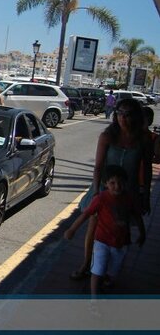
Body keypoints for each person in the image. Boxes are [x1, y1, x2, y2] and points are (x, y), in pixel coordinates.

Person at [70, 98, 152, 280]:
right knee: (94, 226)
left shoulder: (144, 139)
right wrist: (98, 192)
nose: (123, 118)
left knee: (121, 228)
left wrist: (145, 194)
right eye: (120, 114)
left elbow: (146, 169)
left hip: (127, 190)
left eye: (128, 114)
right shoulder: (107, 136)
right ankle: (87, 264)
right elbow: (98, 166)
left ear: (136, 117)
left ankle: (111, 269)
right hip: (104, 189)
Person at [65, 165, 145, 298]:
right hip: (101, 241)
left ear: (125, 183)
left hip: (121, 242)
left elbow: (137, 216)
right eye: (112, 183)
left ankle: (106, 281)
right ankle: (94, 298)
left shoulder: (129, 198)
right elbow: (86, 214)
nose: (117, 186)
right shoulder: (101, 199)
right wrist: (72, 229)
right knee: (97, 271)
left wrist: (142, 233)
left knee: (113, 270)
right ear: (105, 184)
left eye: (120, 182)